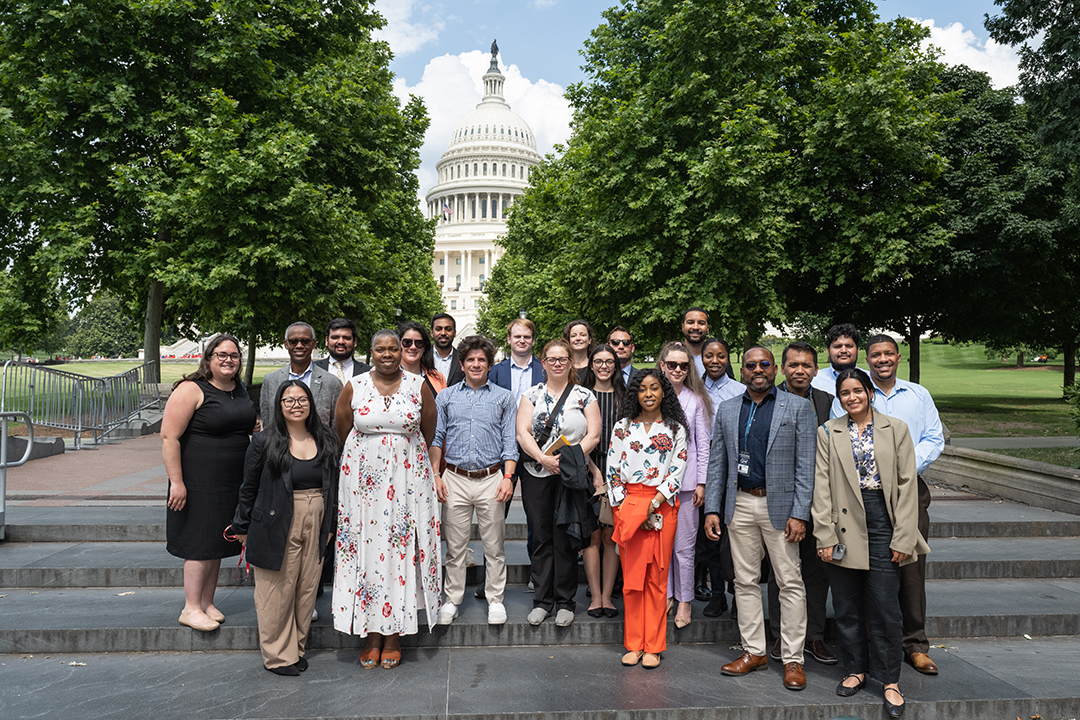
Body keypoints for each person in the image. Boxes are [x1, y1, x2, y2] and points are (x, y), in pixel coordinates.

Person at [814, 368, 929, 718]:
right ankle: (855, 670)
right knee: (847, 607)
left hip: (884, 522)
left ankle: (889, 679)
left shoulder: (896, 430)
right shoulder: (828, 433)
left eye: (858, 391)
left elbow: (908, 486)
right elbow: (822, 487)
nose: (852, 398)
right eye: (845, 393)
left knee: (884, 607)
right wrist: (825, 534)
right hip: (843, 524)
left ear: (870, 393)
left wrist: (904, 537)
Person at [704, 347, 814, 691]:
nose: (758, 370)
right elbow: (718, 463)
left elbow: (806, 467)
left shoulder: (798, 407)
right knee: (744, 582)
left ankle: (793, 658)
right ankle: (754, 651)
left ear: (775, 368)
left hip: (779, 509)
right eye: (750, 365)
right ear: (743, 369)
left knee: (789, 582)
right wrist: (712, 508)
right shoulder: (727, 408)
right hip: (740, 505)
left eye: (764, 364)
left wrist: (800, 513)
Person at [331, 329, 440, 670]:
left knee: (400, 552)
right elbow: (343, 427)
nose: (389, 354)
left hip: (408, 481)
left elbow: (428, 430)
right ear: (372, 352)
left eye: (394, 348)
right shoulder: (355, 386)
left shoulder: (417, 385)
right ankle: (370, 633)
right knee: (366, 551)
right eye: (381, 349)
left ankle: (394, 635)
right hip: (363, 486)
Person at [232, 380, 339, 676]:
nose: (296, 405)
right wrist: (242, 526)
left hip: (316, 516)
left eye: (302, 399)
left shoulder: (326, 438)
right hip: (276, 519)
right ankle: (278, 656)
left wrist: (330, 523)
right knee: (276, 590)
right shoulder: (264, 441)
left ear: (311, 404)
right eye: (289, 400)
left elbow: (335, 486)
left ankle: (296, 649)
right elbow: (248, 487)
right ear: (279, 406)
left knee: (306, 588)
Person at [862, 334, 944, 676]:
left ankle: (914, 644)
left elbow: (934, 437)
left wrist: (905, 468)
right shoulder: (856, 392)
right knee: (871, 570)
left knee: (911, 568)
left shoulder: (917, 394)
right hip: (866, 492)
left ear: (898, 357)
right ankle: (876, 643)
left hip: (910, 489)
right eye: (875, 355)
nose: (882, 359)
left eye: (888, 354)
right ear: (867, 360)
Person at [163, 334, 257, 632]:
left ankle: (207, 602)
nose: (228, 360)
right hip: (198, 480)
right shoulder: (191, 389)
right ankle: (190, 607)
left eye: (234, 355)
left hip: (231, 481)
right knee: (199, 543)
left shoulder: (238, 388)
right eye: (221, 355)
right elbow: (169, 437)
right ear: (208, 358)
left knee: (217, 541)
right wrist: (176, 482)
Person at [429, 336, 517, 626]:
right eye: (470, 360)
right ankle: (452, 600)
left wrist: (508, 475)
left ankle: (495, 600)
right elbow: (437, 437)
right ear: (462, 364)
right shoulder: (446, 397)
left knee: (494, 546)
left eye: (481, 360)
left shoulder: (504, 398)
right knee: (455, 548)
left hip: (491, 477)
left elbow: (509, 440)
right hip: (454, 477)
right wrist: (436, 473)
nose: (476, 364)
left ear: (489, 365)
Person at [607, 369, 689, 669]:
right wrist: (627, 509)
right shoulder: (622, 427)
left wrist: (653, 505)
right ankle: (634, 644)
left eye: (655, 388)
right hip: (628, 504)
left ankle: (653, 646)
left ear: (664, 392)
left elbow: (677, 471)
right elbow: (612, 471)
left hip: (662, 505)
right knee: (632, 580)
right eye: (642, 389)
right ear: (635, 394)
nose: (649, 393)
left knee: (656, 578)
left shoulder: (676, 429)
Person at [516, 339, 601, 627]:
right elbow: (522, 433)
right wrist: (542, 457)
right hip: (536, 474)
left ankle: (565, 601)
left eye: (562, 359)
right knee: (541, 538)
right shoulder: (531, 395)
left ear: (570, 363)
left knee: (565, 537)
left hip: (570, 475)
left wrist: (569, 460)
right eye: (551, 359)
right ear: (543, 363)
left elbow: (593, 435)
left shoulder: (584, 396)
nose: (557, 363)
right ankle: (542, 601)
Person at [766, 341, 836, 665]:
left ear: (816, 370)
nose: (799, 370)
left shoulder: (827, 402)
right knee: (781, 573)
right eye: (793, 364)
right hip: (781, 502)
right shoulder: (769, 400)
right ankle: (782, 634)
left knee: (816, 572)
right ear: (782, 368)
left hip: (820, 501)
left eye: (806, 365)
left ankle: (815, 636)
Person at [655, 342, 711, 629]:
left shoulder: (696, 400)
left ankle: (685, 600)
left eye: (683, 365)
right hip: (655, 485)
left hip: (688, 486)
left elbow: (703, 444)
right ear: (661, 365)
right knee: (661, 546)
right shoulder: (653, 397)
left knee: (684, 548)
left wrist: (702, 482)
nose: (677, 370)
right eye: (671, 364)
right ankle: (665, 594)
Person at [696, 336, 744, 618]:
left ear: (728, 358)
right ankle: (716, 595)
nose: (715, 361)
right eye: (709, 356)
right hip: (705, 467)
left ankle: (739, 595)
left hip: (733, 468)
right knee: (710, 536)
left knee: (736, 536)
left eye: (721, 356)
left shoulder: (740, 390)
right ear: (701, 358)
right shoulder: (694, 390)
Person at [579, 343, 626, 619]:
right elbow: (578, 437)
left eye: (609, 361)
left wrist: (614, 475)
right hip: (587, 471)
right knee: (592, 536)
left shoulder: (624, 396)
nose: (604, 366)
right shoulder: (582, 396)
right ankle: (594, 596)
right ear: (591, 364)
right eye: (598, 361)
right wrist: (594, 470)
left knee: (611, 536)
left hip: (620, 474)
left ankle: (608, 597)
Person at [261, 322, 341, 427]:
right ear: (286, 344)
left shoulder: (332, 383)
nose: (299, 346)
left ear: (314, 344)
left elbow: (336, 427)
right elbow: (268, 423)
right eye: (293, 341)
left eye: (305, 341)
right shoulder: (270, 381)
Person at [489, 318, 544, 405]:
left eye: (526, 337)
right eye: (517, 336)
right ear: (509, 339)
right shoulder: (494, 372)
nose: (522, 341)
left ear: (533, 340)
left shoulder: (544, 370)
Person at [397, 320, 447, 395]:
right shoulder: (384, 375)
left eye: (419, 343)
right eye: (407, 342)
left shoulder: (438, 378)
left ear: (424, 347)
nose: (413, 347)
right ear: (398, 345)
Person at [315, 318, 371, 384]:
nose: (341, 342)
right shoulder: (314, 369)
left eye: (346, 338)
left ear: (355, 342)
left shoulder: (368, 373)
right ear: (326, 341)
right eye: (335, 337)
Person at [811, 323, 862, 394]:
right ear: (828, 351)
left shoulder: (871, 379)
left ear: (857, 350)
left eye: (849, 346)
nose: (844, 350)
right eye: (837, 346)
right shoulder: (814, 380)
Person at [431, 313, 465, 386]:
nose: (443, 333)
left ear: (455, 333)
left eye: (448, 329)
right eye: (438, 329)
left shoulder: (463, 358)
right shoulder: (422, 358)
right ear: (432, 333)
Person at [680, 307, 710, 377]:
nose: (695, 327)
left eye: (701, 323)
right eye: (690, 322)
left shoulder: (716, 359)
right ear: (683, 327)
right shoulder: (671, 356)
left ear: (707, 328)